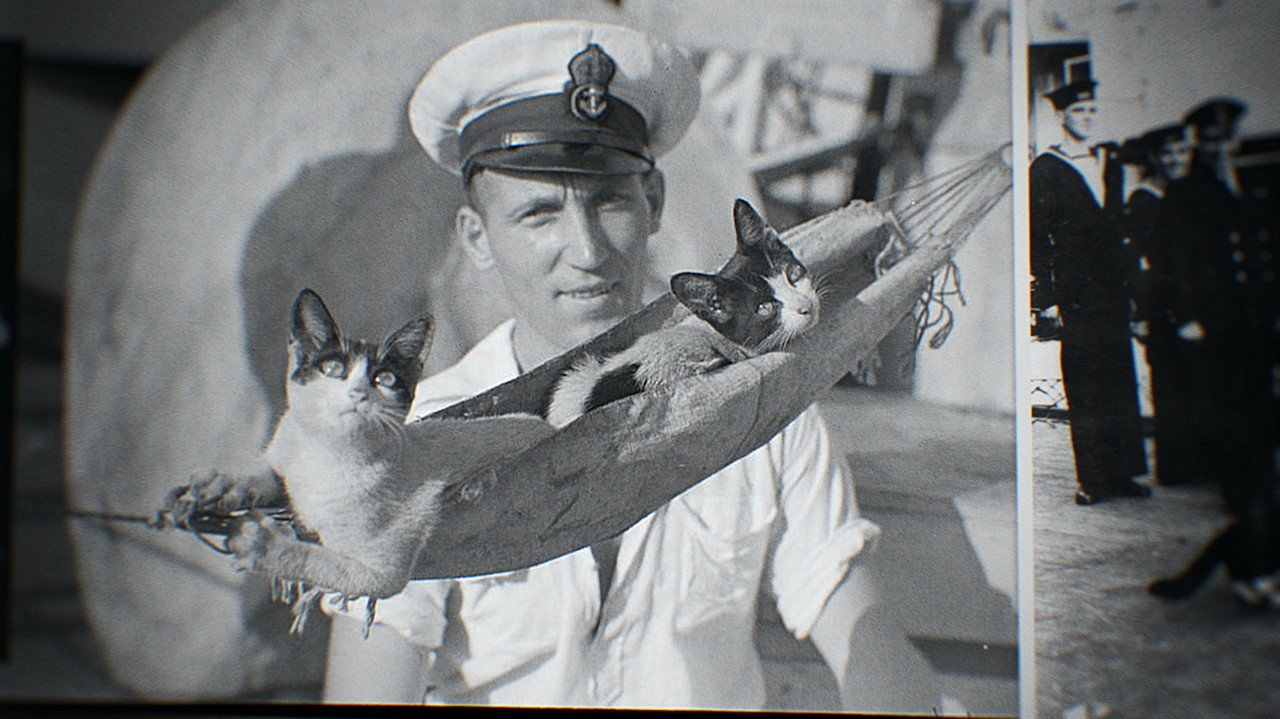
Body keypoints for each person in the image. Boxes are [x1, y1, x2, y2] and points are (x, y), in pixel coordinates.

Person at [319, 20, 937, 711]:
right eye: (537, 213)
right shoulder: (424, 443)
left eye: (608, 198)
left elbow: (855, 614)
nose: (584, 249)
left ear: (655, 205)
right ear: (477, 237)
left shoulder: (764, 395)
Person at [1029, 78, 1150, 505]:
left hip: (1113, 290)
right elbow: (1036, 238)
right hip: (1075, 293)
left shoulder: (1108, 164)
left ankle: (1123, 475)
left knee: (1119, 381)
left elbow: (1118, 230)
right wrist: (1046, 299)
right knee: (1086, 384)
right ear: (1061, 116)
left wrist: (1135, 290)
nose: (1087, 118)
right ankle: (1092, 480)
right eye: (1080, 111)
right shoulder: (1046, 168)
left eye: (1092, 111)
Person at [1159, 98, 1278, 509]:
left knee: (1262, 400)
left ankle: (1263, 484)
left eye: (1226, 139)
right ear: (1198, 143)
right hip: (1218, 317)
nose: (1219, 148)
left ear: (1237, 139)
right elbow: (1177, 261)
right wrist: (1188, 316)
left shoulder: (1257, 185)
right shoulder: (1184, 192)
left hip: (1260, 314)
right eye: (1210, 140)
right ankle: (1239, 492)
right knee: (1229, 405)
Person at [1120, 123, 1200, 486]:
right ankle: (1176, 469)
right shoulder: (1145, 199)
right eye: (1168, 153)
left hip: (1194, 304)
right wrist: (1142, 312)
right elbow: (1140, 264)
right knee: (1170, 388)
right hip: (1162, 308)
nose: (1176, 159)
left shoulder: (1189, 193)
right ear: (1156, 158)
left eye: (1182, 152)